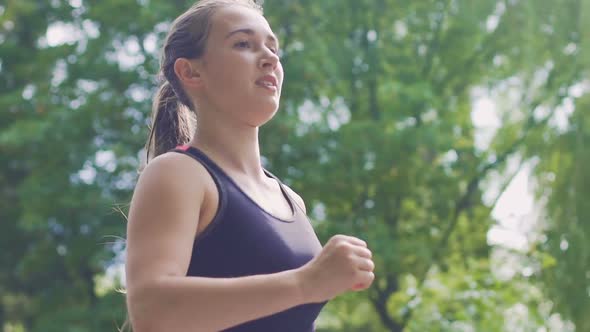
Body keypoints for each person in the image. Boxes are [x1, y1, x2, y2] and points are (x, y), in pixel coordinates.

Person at [125, 0, 375, 331]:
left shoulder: (291, 200)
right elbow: (151, 310)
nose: (270, 58)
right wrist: (306, 283)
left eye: (273, 48)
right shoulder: (178, 173)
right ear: (191, 71)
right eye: (243, 44)